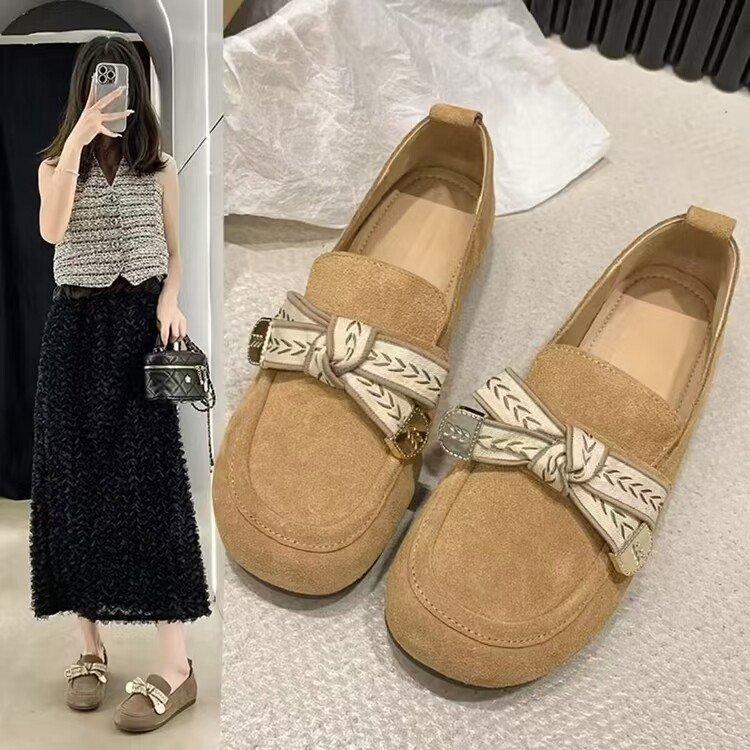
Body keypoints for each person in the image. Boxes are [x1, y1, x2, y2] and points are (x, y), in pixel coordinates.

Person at [31, 35, 210, 732]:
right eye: (100, 82)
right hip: (74, 336)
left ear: (137, 89)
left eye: (122, 81)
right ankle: (90, 646)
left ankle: (177, 667)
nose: (111, 93)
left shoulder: (159, 166)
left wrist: (170, 301)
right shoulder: (55, 165)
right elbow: (52, 232)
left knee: (152, 492)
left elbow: (175, 253)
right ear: (83, 89)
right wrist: (77, 141)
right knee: (74, 489)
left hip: (138, 335)